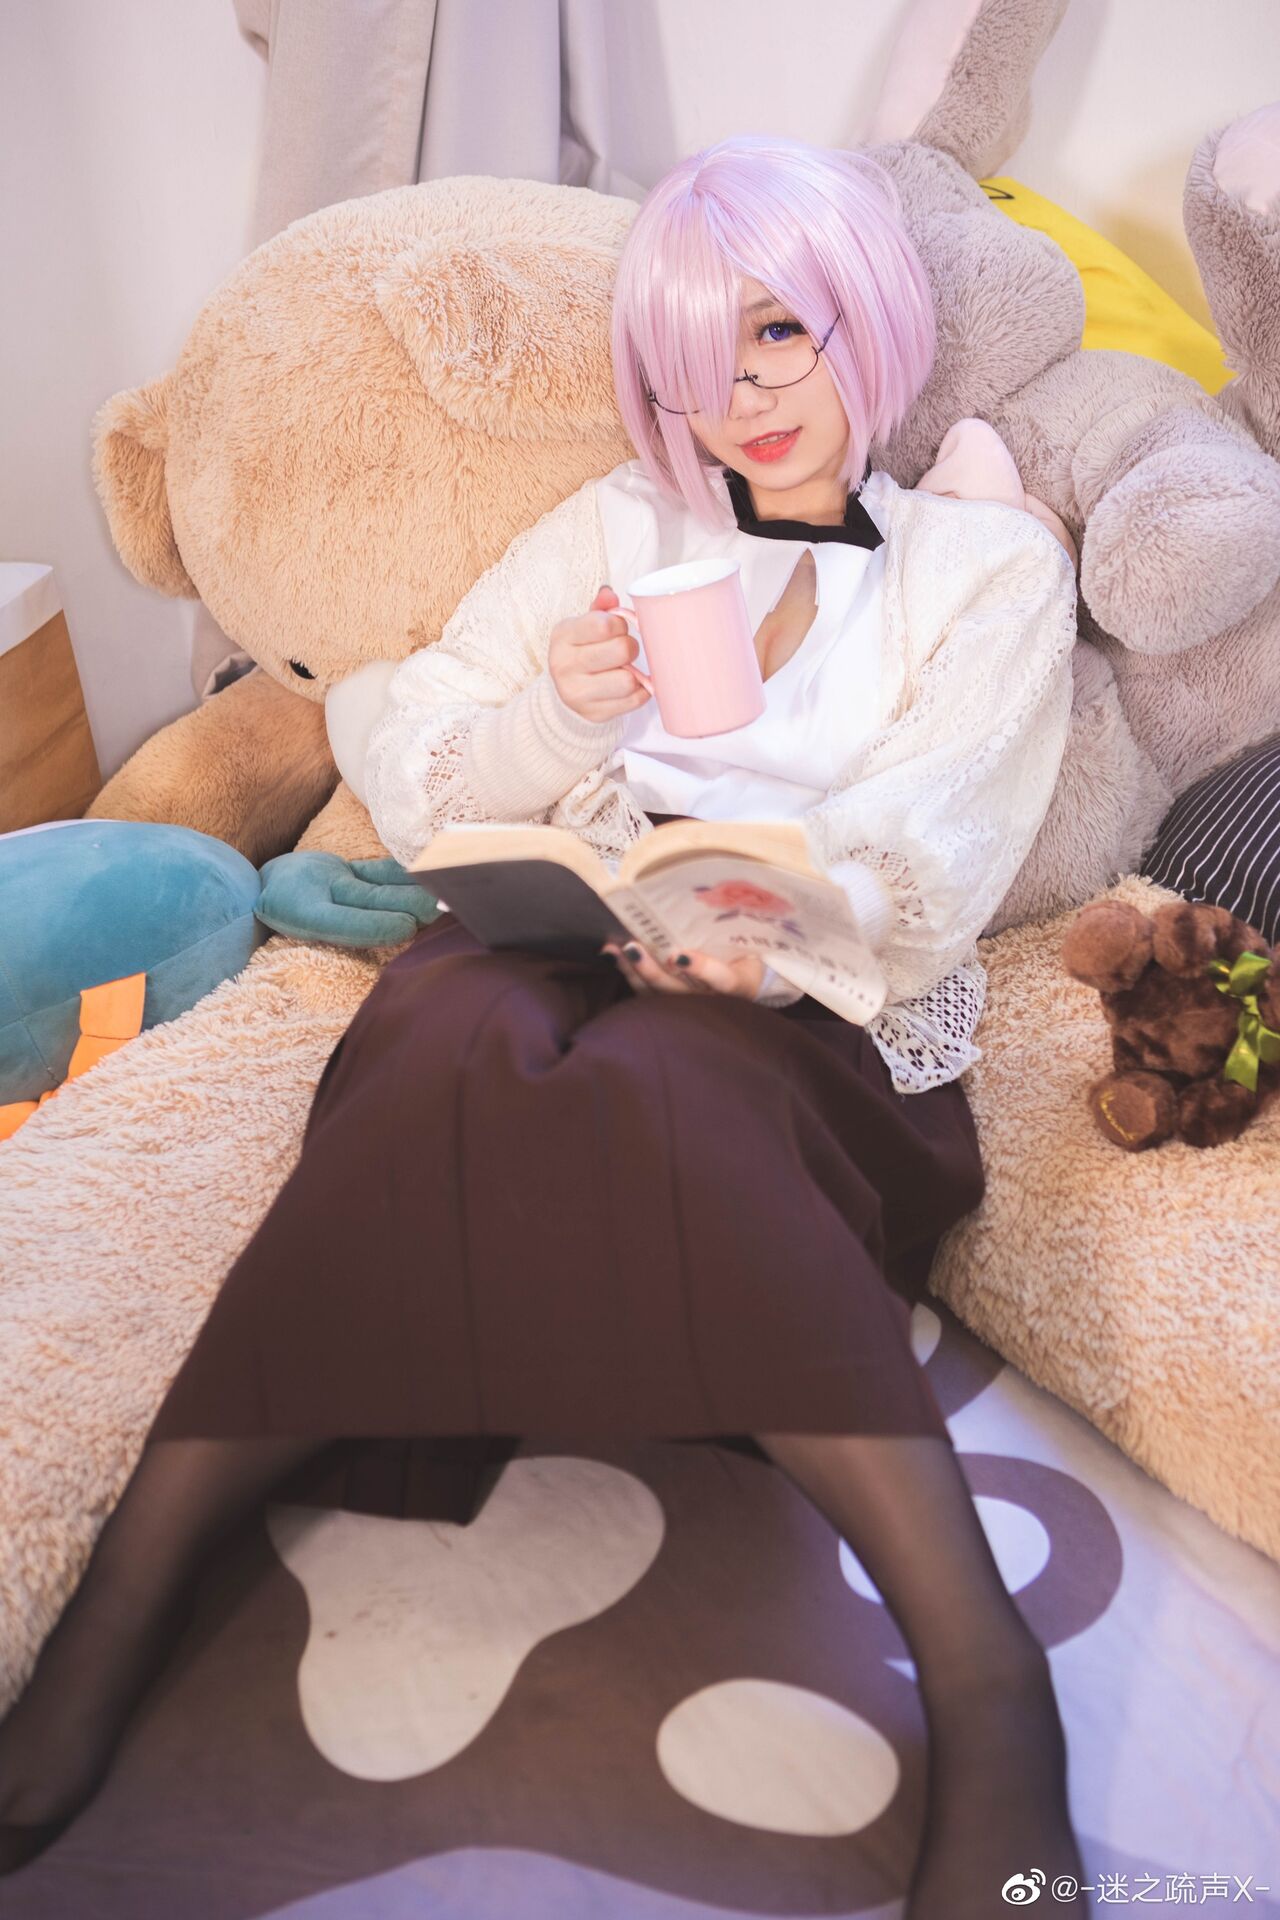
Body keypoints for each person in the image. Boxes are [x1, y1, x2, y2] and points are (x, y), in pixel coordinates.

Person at [0, 133, 1089, 1917]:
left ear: (866, 321)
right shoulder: (617, 533)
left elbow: (940, 838)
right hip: (563, 915)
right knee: (441, 1044)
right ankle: (131, 1584)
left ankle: (986, 1672)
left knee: (665, 1079)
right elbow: (409, 726)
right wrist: (557, 726)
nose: (744, 397)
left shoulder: (979, 566)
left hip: (811, 987)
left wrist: (764, 930)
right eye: (697, 360)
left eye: (781, 335)